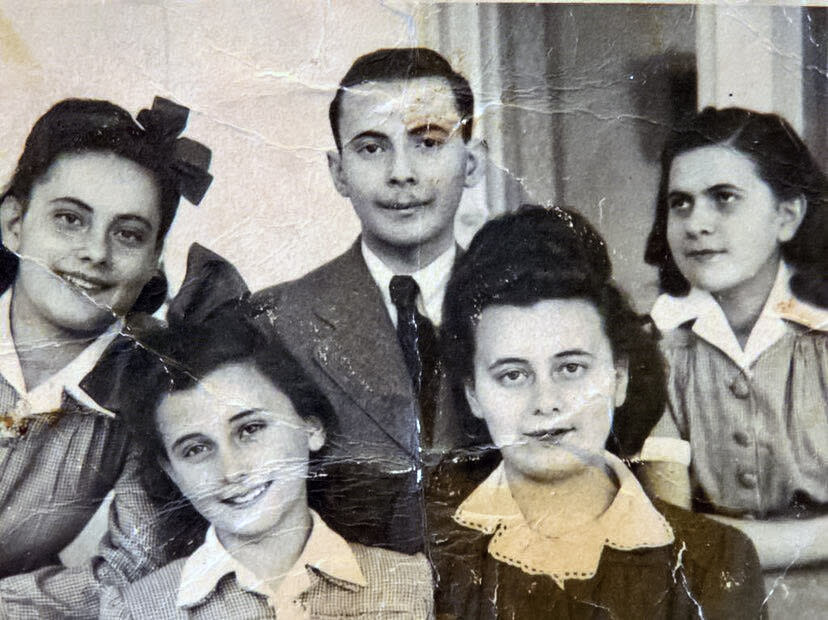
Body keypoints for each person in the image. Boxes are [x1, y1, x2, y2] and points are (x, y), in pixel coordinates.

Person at [429, 205, 765, 619]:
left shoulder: (714, 561)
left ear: (619, 377)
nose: (546, 402)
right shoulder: (428, 554)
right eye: (513, 375)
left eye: (571, 368)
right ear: (474, 394)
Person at [98, 244, 434, 619]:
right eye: (195, 449)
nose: (232, 470)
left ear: (311, 427)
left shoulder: (410, 584)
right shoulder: (139, 610)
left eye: (251, 428)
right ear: (171, 472)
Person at [251, 47, 486, 553]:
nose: (402, 172)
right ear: (338, 172)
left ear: (472, 161)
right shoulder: (276, 324)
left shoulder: (527, 309)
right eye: (372, 148)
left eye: (427, 142)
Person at [0, 97, 212, 618]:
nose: (96, 252)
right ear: (14, 224)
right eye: (70, 219)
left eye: (128, 234)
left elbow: (128, 574)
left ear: (154, 260)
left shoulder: (149, 387)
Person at [639, 107, 828, 613]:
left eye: (723, 199)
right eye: (680, 203)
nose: (696, 223)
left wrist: (720, 538)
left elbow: (694, 536)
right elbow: (669, 530)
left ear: (786, 216)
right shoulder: (659, 352)